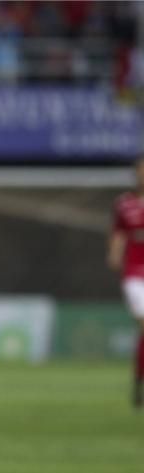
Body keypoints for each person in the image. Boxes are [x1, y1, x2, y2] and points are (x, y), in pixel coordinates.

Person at [107, 155, 144, 409]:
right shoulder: (125, 204)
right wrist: (114, 253)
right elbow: (119, 234)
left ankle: (137, 384)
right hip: (134, 275)